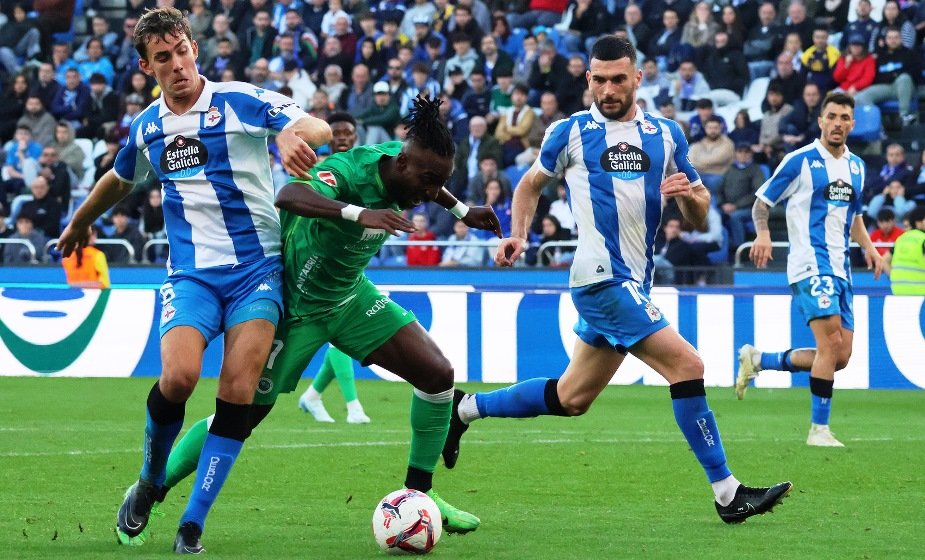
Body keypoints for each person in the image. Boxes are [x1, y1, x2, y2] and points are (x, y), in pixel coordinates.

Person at [443, 35, 792, 525]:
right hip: (600, 280)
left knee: (571, 398)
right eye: (599, 80)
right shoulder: (569, 132)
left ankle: (463, 411)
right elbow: (529, 184)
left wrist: (686, 196)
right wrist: (518, 234)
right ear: (588, 79)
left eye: (618, 79)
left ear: (637, 79)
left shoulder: (667, 134)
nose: (607, 89)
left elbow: (697, 213)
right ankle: (727, 493)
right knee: (688, 365)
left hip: (635, 282)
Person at [154, 94, 501, 537]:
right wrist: (360, 214)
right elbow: (290, 194)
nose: (431, 193)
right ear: (400, 164)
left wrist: (461, 209)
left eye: (440, 183)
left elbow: (434, 181)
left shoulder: (412, 171)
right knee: (239, 419)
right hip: (297, 307)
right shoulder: (350, 170)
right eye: (428, 182)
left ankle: (419, 494)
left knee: (437, 374)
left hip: (350, 297)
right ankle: (155, 487)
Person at [55, 7, 331, 554]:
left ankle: (192, 523)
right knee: (178, 379)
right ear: (145, 66)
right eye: (164, 58)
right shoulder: (148, 126)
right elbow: (121, 177)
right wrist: (80, 222)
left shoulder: (238, 100)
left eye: (182, 51)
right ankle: (151, 480)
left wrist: (286, 138)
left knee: (237, 391)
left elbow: (314, 124)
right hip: (191, 279)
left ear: (194, 49)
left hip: (257, 272)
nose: (177, 64)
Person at [737, 92, 884, 448]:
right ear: (820, 121)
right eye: (831, 116)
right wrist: (763, 233)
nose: (837, 123)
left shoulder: (857, 167)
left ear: (852, 123)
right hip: (809, 264)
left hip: (842, 270)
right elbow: (762, 202)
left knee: (841, 357)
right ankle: (818, 430)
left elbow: (856, 218)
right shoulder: (799, 160)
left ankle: (758, 359)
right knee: (830, 343)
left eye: (844, 117)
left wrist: (870, 248)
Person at [298, 111, 373, 425]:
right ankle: (353, 406)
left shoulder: (365, 167)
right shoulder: (319, 168)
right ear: (328, 136)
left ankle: (313, 395)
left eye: (348, 132)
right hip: (319, 257)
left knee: (340, 331)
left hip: (351, 257)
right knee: (338, 329)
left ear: (355, 136)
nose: (343, 137)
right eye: (337, 132)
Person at [884, 206, 925, 295]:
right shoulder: (923, 239)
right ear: (918, 222)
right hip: (920, 292)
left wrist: (894, 277)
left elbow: (884, 260)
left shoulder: (901, 239)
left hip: (898, 290)